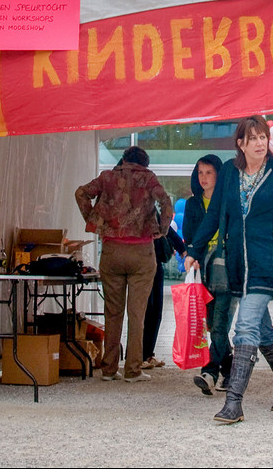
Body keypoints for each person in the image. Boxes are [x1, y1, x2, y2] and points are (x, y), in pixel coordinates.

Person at [184, 116, 273, 425]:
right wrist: (194, 249)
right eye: (254, 138)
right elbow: (215, 215)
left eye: (264, 137)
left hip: (268, 260)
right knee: (261, 328)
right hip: (236, 263)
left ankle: (234, 402)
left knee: (244, 325)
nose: (260, 143)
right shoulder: (230, 175)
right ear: (241, 144)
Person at [74, 145, 174, 382]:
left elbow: (81, 193)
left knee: (113, 312)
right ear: (144, 163)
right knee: (137, 314)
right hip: (141, 252)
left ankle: (109, 369)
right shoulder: (148, 178)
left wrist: (94, 219)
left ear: (123, 160)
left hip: (112, 250)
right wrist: (162, 230)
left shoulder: (107, 177)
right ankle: (133, 370)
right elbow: (166, 203)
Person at [181, 154, 231, 394]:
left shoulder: (228, 201)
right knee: (212, 324)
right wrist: (193, 256)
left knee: (220, 323)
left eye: (209, 172)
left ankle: (210, 372)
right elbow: (189, 236)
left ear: (219, 175)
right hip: (202, 270)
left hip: (226, 267)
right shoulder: (192, 204)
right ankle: (230, 371)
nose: (204, 177)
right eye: (200, 172)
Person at [141, 209, 187, 370]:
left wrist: (182, 249)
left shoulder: (151, 208)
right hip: (140, 263)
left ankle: (147, 353)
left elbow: (167, 229)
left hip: (156, 262)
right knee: (145, 310)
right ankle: (139, 355)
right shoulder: (131, 209)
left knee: (155, 311)